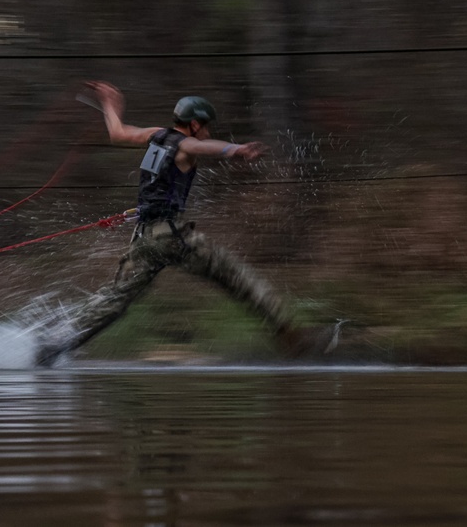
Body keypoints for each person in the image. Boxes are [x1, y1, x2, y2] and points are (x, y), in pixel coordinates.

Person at [35, 81, 340, 366]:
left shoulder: (155, 135)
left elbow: (118, 133)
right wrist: (236, 150)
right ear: (194, 124)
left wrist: (112, 103)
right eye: (206, 127)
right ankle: (291, 337)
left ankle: (55, 345)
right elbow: (201, 148)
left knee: (114, 301)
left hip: (144, 239)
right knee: (235, 276)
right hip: (171, 238)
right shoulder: (185, 144)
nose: (207, 132)